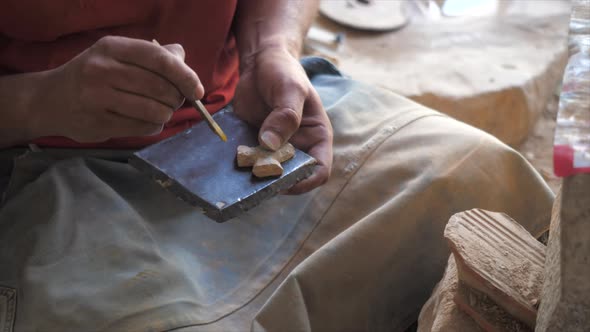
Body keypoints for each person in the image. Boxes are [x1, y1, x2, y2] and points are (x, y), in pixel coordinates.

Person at [0, 1, 553, 331]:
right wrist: (39, 102)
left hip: (234, 114)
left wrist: (270, 52)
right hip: (42, 156)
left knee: (487, 179)